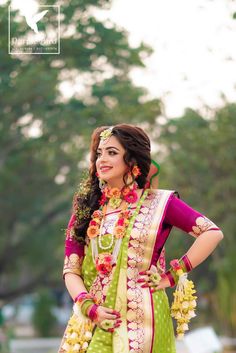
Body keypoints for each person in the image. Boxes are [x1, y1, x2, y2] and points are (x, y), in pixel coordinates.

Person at [59, 124, 223, 353]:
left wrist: (171, 276)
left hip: (142, 322)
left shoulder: (160, 203)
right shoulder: (86, 210)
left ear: (132, 160)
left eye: (112, 152)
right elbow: (71, 269)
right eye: (99, 153)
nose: (102, 160)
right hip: (93, 320)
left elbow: (212, 233)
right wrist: (89, 308)